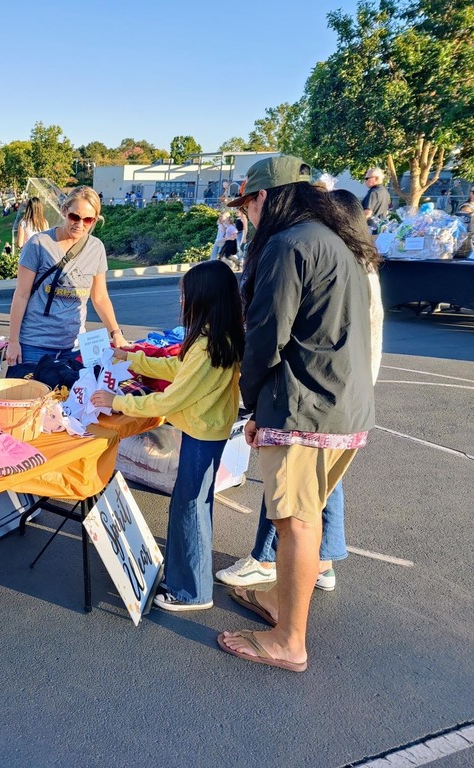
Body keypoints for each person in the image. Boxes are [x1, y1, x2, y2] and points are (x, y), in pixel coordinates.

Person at [218, 156, 376, 672]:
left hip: (302, 408)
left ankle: (289, 640)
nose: (247, 217)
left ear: (265, 197)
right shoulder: (335, 240)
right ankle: (284, 606)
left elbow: (267, 336)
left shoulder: (287, 245)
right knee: (303, 518)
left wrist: (251, 401)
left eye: (248, 206)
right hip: (344, 405)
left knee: (295, 523)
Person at [91, 260, 244, 611]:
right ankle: (191, 580)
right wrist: (134, 359)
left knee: (190, 507)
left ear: (203, 298)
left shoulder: (207, 345)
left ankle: (191, 591)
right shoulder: (217, 336)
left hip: (201, 434)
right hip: (207, 431)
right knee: (194, 505)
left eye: (186, 296)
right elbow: (177, 368)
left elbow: (173, 397)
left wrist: (118, 400)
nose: (182, 302)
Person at [4, 186, 128, 366]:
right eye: (74, 217)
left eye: (88, 220)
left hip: (74, 346)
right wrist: (13, 341)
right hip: (34, 344)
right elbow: (21, 294)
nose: (80, 224)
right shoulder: (38, 244)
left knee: (71, 394)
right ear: (64, 210)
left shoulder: (96, 248)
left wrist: (116, 333)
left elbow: (100, 297)